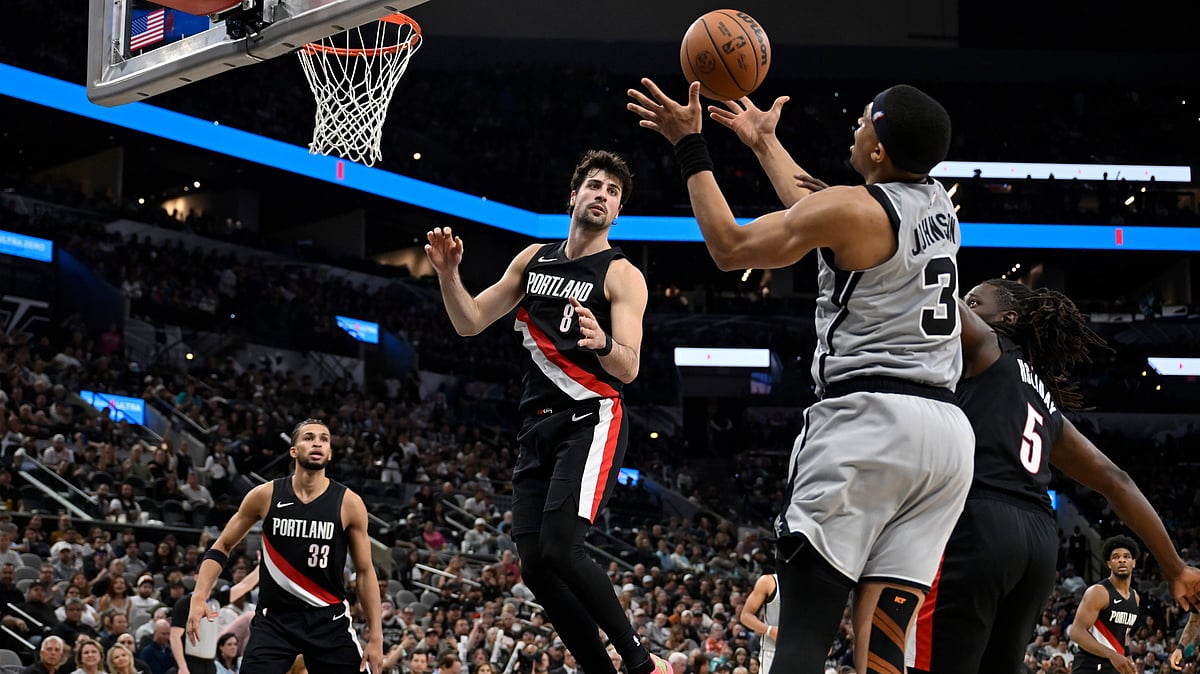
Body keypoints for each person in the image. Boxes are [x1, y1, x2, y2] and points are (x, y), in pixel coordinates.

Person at [628, 80, 972, 674]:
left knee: (802, 630)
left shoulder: (855, 210)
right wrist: (765, 144)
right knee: (886, 640)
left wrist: (690, 146)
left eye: (865, 120)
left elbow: (731, 247)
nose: (855, 127)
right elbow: (823, 207)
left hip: (869, 424)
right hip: (944, 440)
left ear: (881, 152)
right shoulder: (937, 202)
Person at [424, 150, 664, 674]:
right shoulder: (533, 260)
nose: (602, 195)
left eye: (613, 192)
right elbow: (470, 321)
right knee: (534, 564)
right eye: (594, 186)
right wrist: (447, 275)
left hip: (591, 413)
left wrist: (602, 342)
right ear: (572, 196)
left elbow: (629, 369)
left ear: (618, 212)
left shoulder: (622, 275)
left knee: (561, 548)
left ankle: (641, 663)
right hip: (536, 425)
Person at [907, 279, 1200, 674]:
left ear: (1005, 319)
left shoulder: (986, 345)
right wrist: (1175, 567)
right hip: (1039, 543)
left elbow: (930, 285)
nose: (965, 306)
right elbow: (1117, 480)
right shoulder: (1044, 400)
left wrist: (906, 230)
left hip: (980, 523)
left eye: (974, 301)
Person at [186, 419, 383, 674]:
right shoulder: (265, 495)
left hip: (328, 619)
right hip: (275, 619)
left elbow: (366, 572)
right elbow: (222, 545)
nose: (317, 443)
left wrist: (376, 636)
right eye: (309, 437)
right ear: (293, 450)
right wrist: (200, 596)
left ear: (330, 453)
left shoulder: (349, 503)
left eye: (324, 439)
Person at [1068, 536, 1143, 674]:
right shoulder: (1098, 592)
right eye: (1116, 557)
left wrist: (1129, 661)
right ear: (1109, 564)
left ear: (1133, 563)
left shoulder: (1135, 598)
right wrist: (1111, 654)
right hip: (1090, 665)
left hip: (1115, 666)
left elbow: (1124, 636)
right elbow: (1076, 632)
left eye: (1126, 556)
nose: (1121, 560)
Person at [738, 573, 778, 674]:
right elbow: (745, 615)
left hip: (804, 650)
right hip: (773, 650)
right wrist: (769, 630)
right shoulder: (769, 581)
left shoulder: (813, 583)